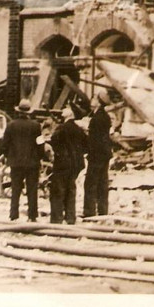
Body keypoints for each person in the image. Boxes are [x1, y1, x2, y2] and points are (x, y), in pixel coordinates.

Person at [0, 99, 44, 223]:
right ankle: (32, 216)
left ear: (18, 111)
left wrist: (8, 156)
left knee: (16, 189)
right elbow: (40, 144)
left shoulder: (11, 125)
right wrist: (40, 157)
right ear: (29, 112)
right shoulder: (36, 126)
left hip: (16, 163)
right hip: (32, 163)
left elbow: (5, 144)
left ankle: (14, 215)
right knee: (32, 190)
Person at [48, 107, 88, 224]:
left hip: (62, 163)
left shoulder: (62, 128)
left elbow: (53, 141)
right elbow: (86, 145)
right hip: (76, 164)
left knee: (58, 190)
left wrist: (58, 153)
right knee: (71, 189)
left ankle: (57, 218)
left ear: (68, 115)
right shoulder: (78, 129)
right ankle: (70, 217)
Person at [83, 91, 114, 219]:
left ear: (98, 102)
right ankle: (102, 211)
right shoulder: (105, 116)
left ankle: (89, 211)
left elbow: (94, 139)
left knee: (91, 183)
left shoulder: (97, 118)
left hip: (96, 155)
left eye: (94, 98)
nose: (91, 101)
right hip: (104, 154)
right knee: (102, 183)